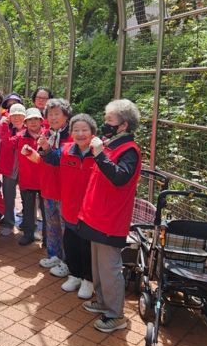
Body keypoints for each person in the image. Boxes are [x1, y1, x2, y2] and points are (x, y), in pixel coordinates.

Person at [78, 99, 142, 333]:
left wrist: (99, 155)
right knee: (98, 264)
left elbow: (120, 177)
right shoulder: (110, 145)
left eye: (109, 120)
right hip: (97, 215)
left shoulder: (129, 150)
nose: (105, 123)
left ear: (123, 125)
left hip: (110, 218)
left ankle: (116, 314)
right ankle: (104, 302)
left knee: (109, 267)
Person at [35, 113, 98, 300]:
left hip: (90, 210)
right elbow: (52, 158)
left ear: (93, 132)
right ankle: (75, 275)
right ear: (71, 132)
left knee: (86, 246)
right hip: (69, 207)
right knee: (71, 243)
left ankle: (88, 280)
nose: (80, 134)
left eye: (84, 130)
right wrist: (45, 148)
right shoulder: (66, 150)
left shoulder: (99, 153)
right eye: (76, 130)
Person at [37, 98, 73, 276]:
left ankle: (67, 261)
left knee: (67, 227)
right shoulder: (45, 133)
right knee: (51, 224)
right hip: (48, 186)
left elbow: (64, 158)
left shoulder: (73, 135)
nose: (53, 117)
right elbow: (42, 158)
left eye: (57, 113)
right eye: (50, 114)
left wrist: (47, 150)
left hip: (66, 189)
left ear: (66, 115)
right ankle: (54, 255)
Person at [14, 108, 48, 246]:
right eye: (30, 120)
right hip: (27, 179)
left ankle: (47, 238)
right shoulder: (20, 136)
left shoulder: (48, 135)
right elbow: (6, 143)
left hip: (44, 179)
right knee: (28, 209)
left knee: (46, 211)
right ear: (25, 122)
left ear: (41, 121)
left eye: (36, 119)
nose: (33, 122)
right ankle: (28, 234)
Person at [0, 103, 26, 237]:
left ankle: (29, 225)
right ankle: (9, 222)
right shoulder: (6, 128)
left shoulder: (29, 130)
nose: (17, 118)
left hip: (26, 170)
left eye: (20, 115)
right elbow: (5, 142)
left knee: (28, 199)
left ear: (25, 117)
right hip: (9, 169)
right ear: (9, 117)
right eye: (14, 115)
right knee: (9, 196)